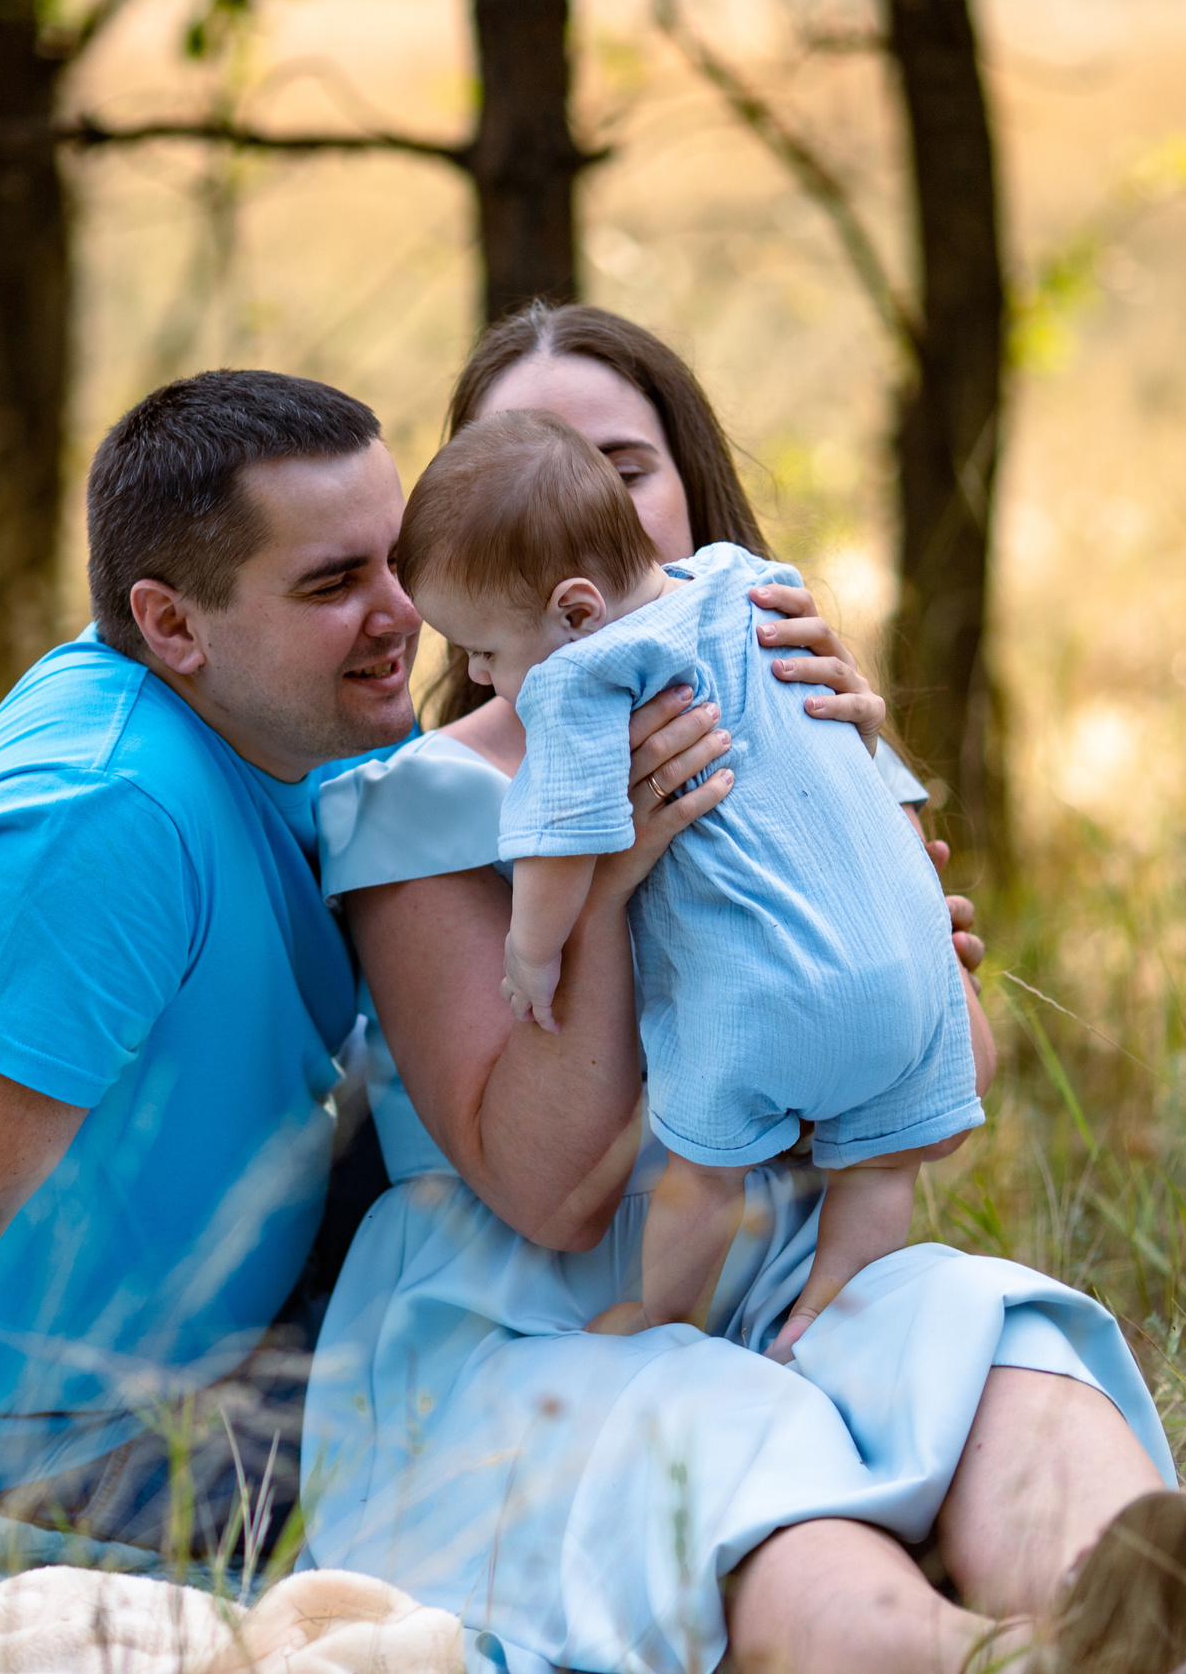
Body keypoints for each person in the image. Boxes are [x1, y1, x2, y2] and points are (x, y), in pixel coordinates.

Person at [299, 302, 1186, 1674]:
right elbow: (552, 1191)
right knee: (726, 1443)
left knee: (974, 1330)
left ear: (687, 494)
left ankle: (1179, 1632)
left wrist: (866, 862)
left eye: (623, 467)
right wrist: (611, 881)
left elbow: (953, 1070)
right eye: (529, 464)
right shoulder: (419, 807)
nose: (577, 506)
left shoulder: (786, 695)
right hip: (539, 1326)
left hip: (781, 1262)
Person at [0, 365, 892, 1584]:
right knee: (571, 1454)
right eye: (332, 584)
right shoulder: (99, 820)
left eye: (395, 561)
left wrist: (837, 843)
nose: (401, 612)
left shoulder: (290, 728)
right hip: (61, 1446)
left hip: (244, 1327)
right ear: (172, 625)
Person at [393, 410, 984, 1353]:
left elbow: (562, 840)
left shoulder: (588, 672)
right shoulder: (750, 584)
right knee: (882, 1163)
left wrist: (533, 951)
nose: (473, 667)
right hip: (910, 982)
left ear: (576, 612)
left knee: (704, 1175)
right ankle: (826, 1311)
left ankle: (660, 1318)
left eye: (486, 650)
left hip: (769, 1007)